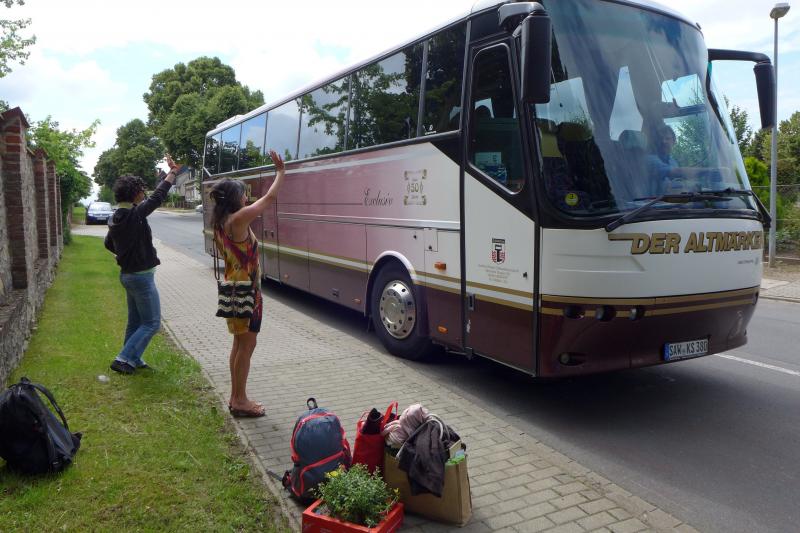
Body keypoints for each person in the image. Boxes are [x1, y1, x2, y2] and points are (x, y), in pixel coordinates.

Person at [210, 150, 286, 417]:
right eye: (243, 194)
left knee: (239, 345)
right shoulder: (238, 219)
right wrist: (280, 172)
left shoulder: (220, 222)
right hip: (246, 292)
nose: (247, 198)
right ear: (235, 198)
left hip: (233, 289)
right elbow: (270, 198)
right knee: (247, 346)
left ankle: (235, 397)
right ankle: (240, 400)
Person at [104, 155, 180, 375]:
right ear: (135, 193)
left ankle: (133, 358)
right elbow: (158, 197)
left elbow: (108, 243)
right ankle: (123, 359)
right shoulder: (134, 215)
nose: (144, 193)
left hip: (129, 275)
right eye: (141, 190)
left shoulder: (117, 216)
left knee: (135, 321)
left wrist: (123, 256)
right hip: (141, 278)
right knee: (152, 323)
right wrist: (172, 173)